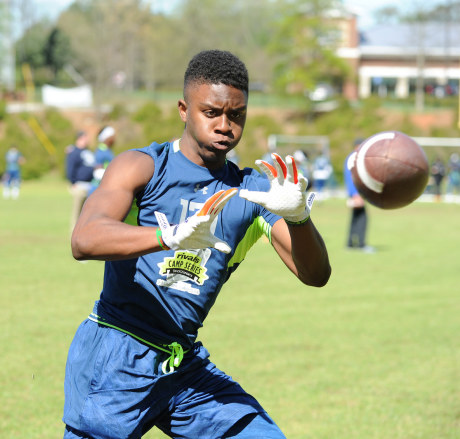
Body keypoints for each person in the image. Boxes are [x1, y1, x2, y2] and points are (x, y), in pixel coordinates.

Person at [64, 50, 331, 438]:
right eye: (212, 113)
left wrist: (298, 218)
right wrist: (167, 236)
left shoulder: (253, 192)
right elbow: (83, 239)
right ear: (184, 109)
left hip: (182, 364)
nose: (225, 125)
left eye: (236, 115)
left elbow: (316, 275)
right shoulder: (143, 167)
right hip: (116, 351)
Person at [344, 140, 374, 253]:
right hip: (357, 194)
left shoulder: (352, 158)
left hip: (356, 193)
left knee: (355, 218)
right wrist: (356, 194)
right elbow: (351, 178)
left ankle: (350, 244)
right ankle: (361, 244)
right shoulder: (353, 158)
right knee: (362, 219)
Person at [65, 131, 95, 231]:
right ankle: (74, 238)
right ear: (80, 138)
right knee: (76, 215)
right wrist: (73, 182)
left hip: (90, 186)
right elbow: (70, 168)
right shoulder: (74, 152)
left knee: (87, 215)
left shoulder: (87, 152)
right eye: (86, 138)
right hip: (79, 186)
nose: (87, 140)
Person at [88, 125, 117, 195]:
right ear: (106, 138)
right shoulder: (101, 151)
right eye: (112, 136)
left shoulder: (108, 151)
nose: (114, 139)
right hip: (98, 189)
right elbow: (97, 172)